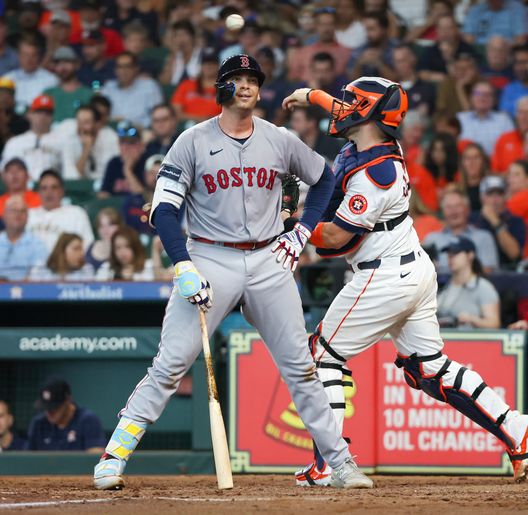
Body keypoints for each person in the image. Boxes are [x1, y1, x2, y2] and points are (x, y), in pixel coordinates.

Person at [92, 54, 368, 491]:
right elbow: (164, 209)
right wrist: (181, 261)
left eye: (252, 80)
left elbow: (325, 180)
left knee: (301, 366)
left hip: (268, 259)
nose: (246, 86)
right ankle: (113, 456)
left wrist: (301, 231)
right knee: (171, 362)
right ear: (220, 88)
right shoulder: (191, 141)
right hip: (209, 257)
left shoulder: (279, 139)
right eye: (237, 79)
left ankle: (340, 463)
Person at [283, 76, 528, 486]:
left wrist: (292, 221)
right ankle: (516, 427)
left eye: (352, 102)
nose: (343, 107)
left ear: (368, 111)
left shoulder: (377, 173)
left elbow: (334, 237)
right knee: (430, 369)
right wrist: (312, 96)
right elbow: (352, 112)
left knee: (322, 356)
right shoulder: (371, 145)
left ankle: (331, 463)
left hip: (385, 274)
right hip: (411, 268)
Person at [424, 188, 500, 274]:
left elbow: (489, 271)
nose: (453, 211)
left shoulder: (483, 237)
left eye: (458, 206)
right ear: (443, 212)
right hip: (439, 286)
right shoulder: (432, 239)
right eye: (449, 207)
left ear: (467, 210)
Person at [437, 236, 501, 329]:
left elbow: (494, 324)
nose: (450, 257)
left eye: (456, 253)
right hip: (441, 339)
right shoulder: (443, 286)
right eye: (449, 254)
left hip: (469, 341)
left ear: (470, 255)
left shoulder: (483, 287)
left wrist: (472, 319)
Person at [26, 378, 105, 451]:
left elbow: (95, 457)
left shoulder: (88, 420)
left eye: (54, 408)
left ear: (67, 400)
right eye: (46, 408)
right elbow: (26, 458)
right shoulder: (39, 423)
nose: (49, 413)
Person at [27, 170, 95, 253]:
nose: (49, 192)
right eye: (44, 188)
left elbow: (87, 247)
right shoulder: (28, 215)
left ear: (62, 191)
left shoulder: (76, 214)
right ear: (39, 192)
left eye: (54, 187)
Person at [1, 94, 62, 180]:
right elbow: (4, 171)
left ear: (52, 117)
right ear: (29, 115)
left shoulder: (62, 140)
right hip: (23, 190)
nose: (43, 116)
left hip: (51, 189)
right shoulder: (15, 142)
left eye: (47, 113)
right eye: (38, 112)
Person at [470, 175, 526, 269]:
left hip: (506, 274)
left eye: (499, 194)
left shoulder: (516, 221)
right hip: (474, 271)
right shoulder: (472, 219)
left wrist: (494, 220)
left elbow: (514, 254)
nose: (495, 199)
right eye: (490, 194)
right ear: (482, 197)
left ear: (505, 197)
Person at [287, 7, 351, 83]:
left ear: (336, 26)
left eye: (330, 24)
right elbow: (292, 79)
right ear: (316, 26)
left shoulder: (346, 53)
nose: (326, 28)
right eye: (322, 24)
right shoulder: (302, 52)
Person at [101, 52, 164, 128]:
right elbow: (100, 114)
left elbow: (158, 114)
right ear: (115, 70)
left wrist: (134, 124)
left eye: (127, 66)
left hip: (141, 131)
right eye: (120, 67)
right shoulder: (108, 88)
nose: (123, 71)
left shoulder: (149, 86)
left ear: (136, 68)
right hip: (112, 131)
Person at [60, 104, 120, 180]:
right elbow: (71, 178)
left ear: (98, 125)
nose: (81, 128)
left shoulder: (111, 138)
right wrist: (86, 150)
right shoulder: (70, 140)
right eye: (79, 122)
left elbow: (115, 173)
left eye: (86, 122)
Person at [456, 80, 514, 156]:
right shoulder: (460, 118)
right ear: (471, 98)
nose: (482, 98)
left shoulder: (504, 119)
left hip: (496, 165)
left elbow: (511, 146)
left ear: (494, 99)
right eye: (478, 94)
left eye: (487, 94)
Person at [1, 34, 57, 108]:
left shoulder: (51, 80)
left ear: (39, 56)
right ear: (18, 56)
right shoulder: (7, 79)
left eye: (33, 55)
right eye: (25, 55)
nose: (29, 59)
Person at [0, 194, 47, 281]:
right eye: (14, 210)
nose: (18, 214)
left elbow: (39, 277)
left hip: (28, 292)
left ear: (28, 217)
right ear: (4, 215)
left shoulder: (37, 244)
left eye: (22, 211)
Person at [171, 47, 222, 122]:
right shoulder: (186, 84)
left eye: (212, 63)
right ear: (200, 65)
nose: (209, 66)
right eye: (205, 63)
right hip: (188, 127)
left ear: (218, 65)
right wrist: (199, 119)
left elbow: (229, 115)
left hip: (215, 126)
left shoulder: (225, 87)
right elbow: (177, 113)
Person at [43, 46, 93, 123]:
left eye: (67, 61)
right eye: (58, 63)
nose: (62, 67)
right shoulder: (48, 94)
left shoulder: (88, 94)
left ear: (77, 64)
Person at [99, 121, 145, 198]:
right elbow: (103, 195)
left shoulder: (147, 162)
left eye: (131, 142)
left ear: (141, 145)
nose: (126, 147)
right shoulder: (113, 163)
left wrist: (127, 170)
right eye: (123, 142)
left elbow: (144, 197)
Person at [28, 232, 96, 281]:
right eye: (76, 249)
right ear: (62, 250)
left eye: (81, 249)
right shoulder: (41, 268)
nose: (81, 253)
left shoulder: (86, 270)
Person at [462, 0, 528, 46]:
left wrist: (498, 48)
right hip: (480, 53)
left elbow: (521, 40)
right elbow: (468, 38)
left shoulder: (517, 9)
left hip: (508, 52)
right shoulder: (476, 10)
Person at [85, 207, 123, 272]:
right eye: (101, 226)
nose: (105, 230)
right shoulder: (90, 246)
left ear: (119, 226)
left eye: (110, 225)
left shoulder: (125, 248)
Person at [458, 142, 491, 212]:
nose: (472, 162)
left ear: (483, 161)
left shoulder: (492, 187)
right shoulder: (457, 190)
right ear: (463, 163)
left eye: (476, 157)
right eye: (468, 158)